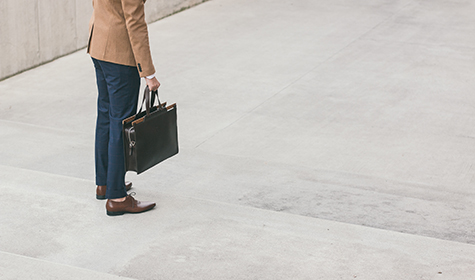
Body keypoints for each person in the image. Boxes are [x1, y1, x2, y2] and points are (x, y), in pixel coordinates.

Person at [87, 0, 159, 216]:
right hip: (119, 54)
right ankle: (117, 197)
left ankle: (106, 183)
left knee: (106, 117)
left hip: (99, 44)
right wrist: (149, 73)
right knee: (121, 123)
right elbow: (135, 23)